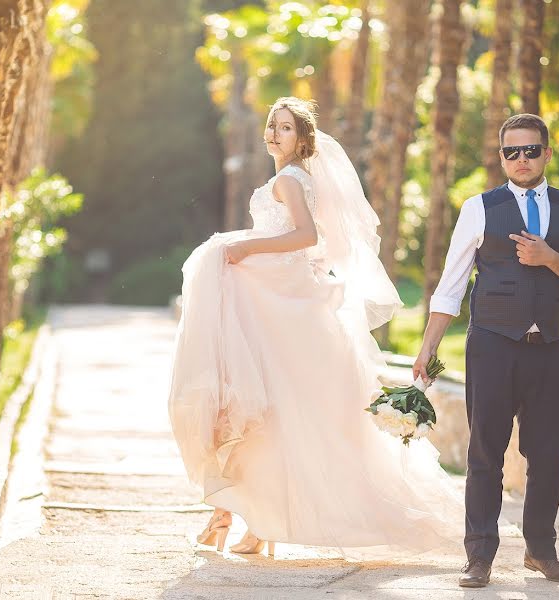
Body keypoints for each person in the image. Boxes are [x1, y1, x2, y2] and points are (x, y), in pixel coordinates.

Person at [168, 97, 463, 560]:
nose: (273, 133)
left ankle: (241, 519)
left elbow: (306, 237)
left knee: (267, 409)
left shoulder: (289, 179)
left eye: (284, 128)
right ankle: (246, 520)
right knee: (270, 413)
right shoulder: (294, 178)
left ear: (303, 140)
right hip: (278, 296)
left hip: (280, 301)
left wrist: (246, 249)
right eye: (271, 125)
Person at [414, 114, 559, 588]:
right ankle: (478, 555)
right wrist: (426, 350)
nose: (522, 159)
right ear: (501, 157)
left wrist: (551, 259)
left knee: (549, 454)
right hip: (492, 347)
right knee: (485, 454)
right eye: (511, 152)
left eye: (531, 150)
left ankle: (541, 551)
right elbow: (452, 284)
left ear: (547, 153)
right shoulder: (479, 208)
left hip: (549, 351)